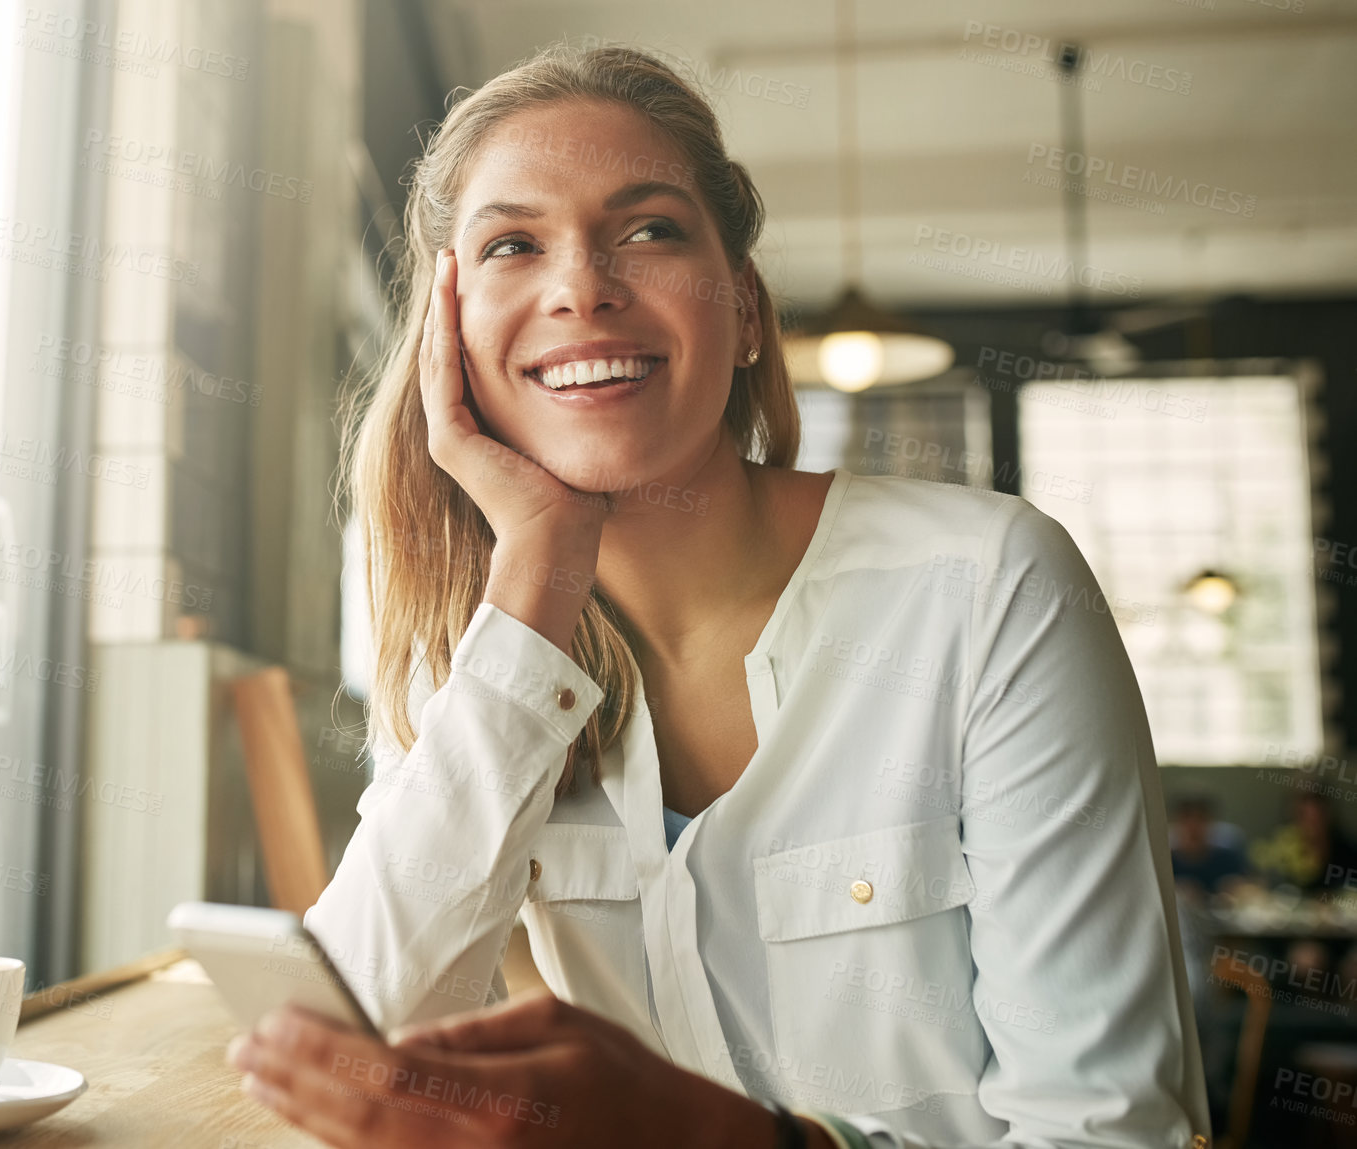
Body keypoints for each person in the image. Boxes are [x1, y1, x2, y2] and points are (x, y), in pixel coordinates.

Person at [226, 44, 1211, 1149]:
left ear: (743, 310)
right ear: (450, 339)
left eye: (647, 230)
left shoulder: (990, 592)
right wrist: (538, 569)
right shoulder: (482, 651)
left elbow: (1106, 1136)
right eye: (512, 244)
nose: (579, 286)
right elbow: (352, 1053)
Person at [1169, 795, 1250, 902]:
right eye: (1187, 817)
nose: (1194, 825)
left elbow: (1250, 886)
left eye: (1201, 817)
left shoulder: (1227, 859)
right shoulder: (1167, 862)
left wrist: (1238, 889)